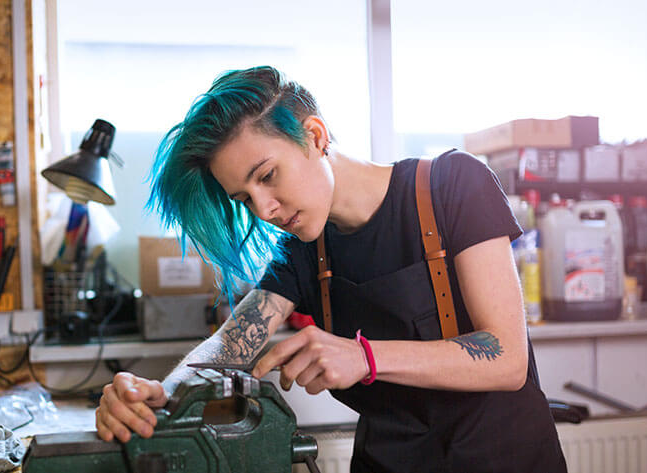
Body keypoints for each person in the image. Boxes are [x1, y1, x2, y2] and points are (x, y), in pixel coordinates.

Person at [95, 66, 567, 472]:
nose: (264, 209)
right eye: (245, 198)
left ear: (315, 136)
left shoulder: (453, 184)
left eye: (267, 176)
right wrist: (160, 392)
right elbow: (232, 345)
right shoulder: (303, 248)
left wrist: (365, 356)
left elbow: (506, 358)